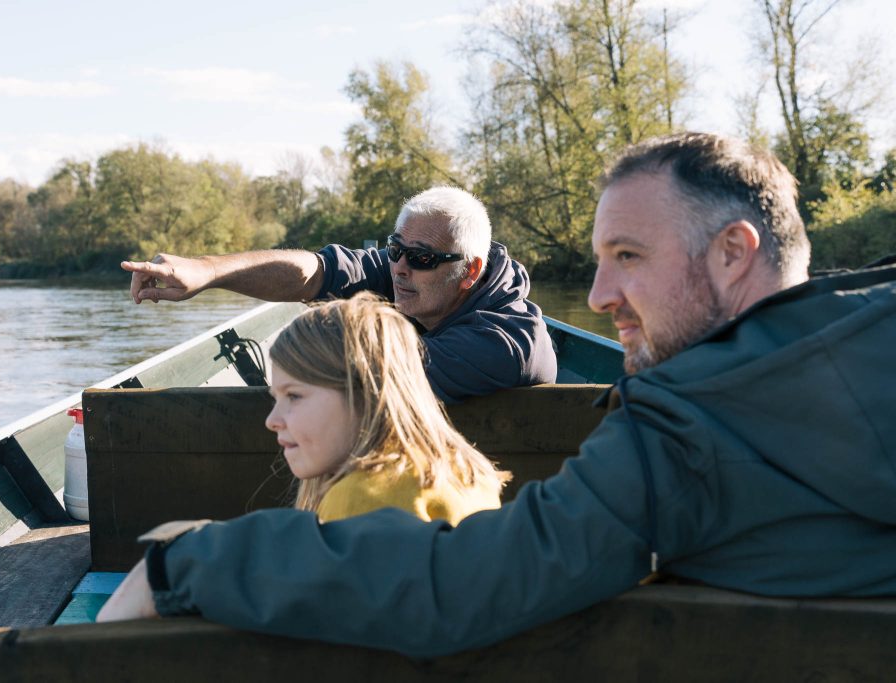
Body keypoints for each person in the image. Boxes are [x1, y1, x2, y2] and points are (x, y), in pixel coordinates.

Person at [97, 132, 896, 658]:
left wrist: (188, 561)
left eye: (626, 255)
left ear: (732, 254)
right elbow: (325, 269)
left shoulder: (679, 433)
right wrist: (205, 272)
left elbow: (464, 585)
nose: (598, 292)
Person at [120, 186, 558, 403]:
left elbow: (363, 380)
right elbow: (316, 271)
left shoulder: (504, 345)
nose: (401, 268)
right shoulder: (406, 274)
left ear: (470, 272)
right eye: (394, 250)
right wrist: (207, 271)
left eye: (421, 258)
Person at [264, 292, 508, 523]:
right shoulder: (467, 473)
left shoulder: (360, 498)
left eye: (294, 396)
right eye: (276, 399)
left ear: (365, 396)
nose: (272, 421)